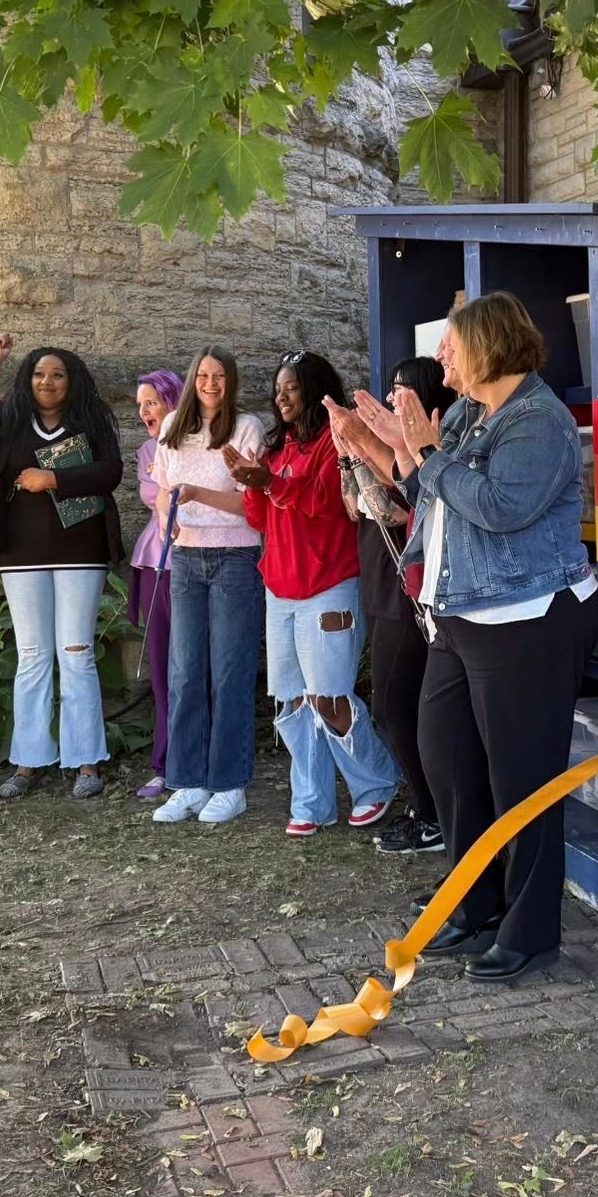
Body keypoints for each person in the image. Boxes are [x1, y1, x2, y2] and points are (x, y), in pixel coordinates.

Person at [343, 292, 598, 985]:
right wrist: (380, 450)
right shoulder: (464, 413)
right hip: (457, 615)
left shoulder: (539, 421)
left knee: (522, 780)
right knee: (447, 757)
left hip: (525, 620)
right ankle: (475, 899)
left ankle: (530, 929)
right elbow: (433, 496)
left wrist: (424, 452)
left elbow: (500, 507)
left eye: (450, 345)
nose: (440, 358)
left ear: (486, 347)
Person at [225, 351, 402, 837]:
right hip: (280, 589)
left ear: (315, 388)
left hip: (330, 585)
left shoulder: (336, 441)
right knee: (292, 703)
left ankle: (377, 784)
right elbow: (261, 519)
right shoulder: (276, 447)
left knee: (330, 698)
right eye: (277, 389)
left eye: (292, 388)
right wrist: (252, 483)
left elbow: (330, 506)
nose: (281, 397)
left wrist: (270, 483)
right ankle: (311, 801)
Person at [0, 335, 125, 800]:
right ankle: (28, 761)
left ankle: (86, 761)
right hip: (22, 555)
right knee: (32, 656)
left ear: (72, 382)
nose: (47, 382)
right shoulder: (10, 423)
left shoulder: (90, 421)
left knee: (76, 653)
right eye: (37, 374)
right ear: (26, 381)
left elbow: (111, 471)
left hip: (81, 551)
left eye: (57, 374)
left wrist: (52, 478)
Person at [342, 355, 458, 857]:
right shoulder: (401, 445)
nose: (392, 399)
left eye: (404, 390)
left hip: (411, 588)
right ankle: (425, 809)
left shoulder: (438, 447)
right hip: (383, 580)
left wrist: (367, 445)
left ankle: (432, 813)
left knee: (397, 704)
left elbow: (410, 499)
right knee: (396, 706)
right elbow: (357, 504)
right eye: (390, 388)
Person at [150, 348, 267, 826]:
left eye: (219, 376)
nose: (211, 384)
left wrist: (198, 495)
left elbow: (253, 505)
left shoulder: (246, 429)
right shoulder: (173, 424)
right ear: (192, 378)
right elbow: (162, 488)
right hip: (186, 558)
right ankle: (187, 782)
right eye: (203, 375)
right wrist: (165, 521)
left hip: (235, 558)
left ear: (231, 381)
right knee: (184, 673)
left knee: (229, 673)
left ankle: (229, 784)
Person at [129, 369, 183, 800]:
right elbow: (157, 495)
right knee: (163, 668)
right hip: (157, 564)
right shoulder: (148, 449)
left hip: (203, 561)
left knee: (198, 667)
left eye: (152, 402)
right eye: (140, 405)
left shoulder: (205, 441)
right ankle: (166, 763)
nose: (145, 411)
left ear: (173, 401)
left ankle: (201, 760)